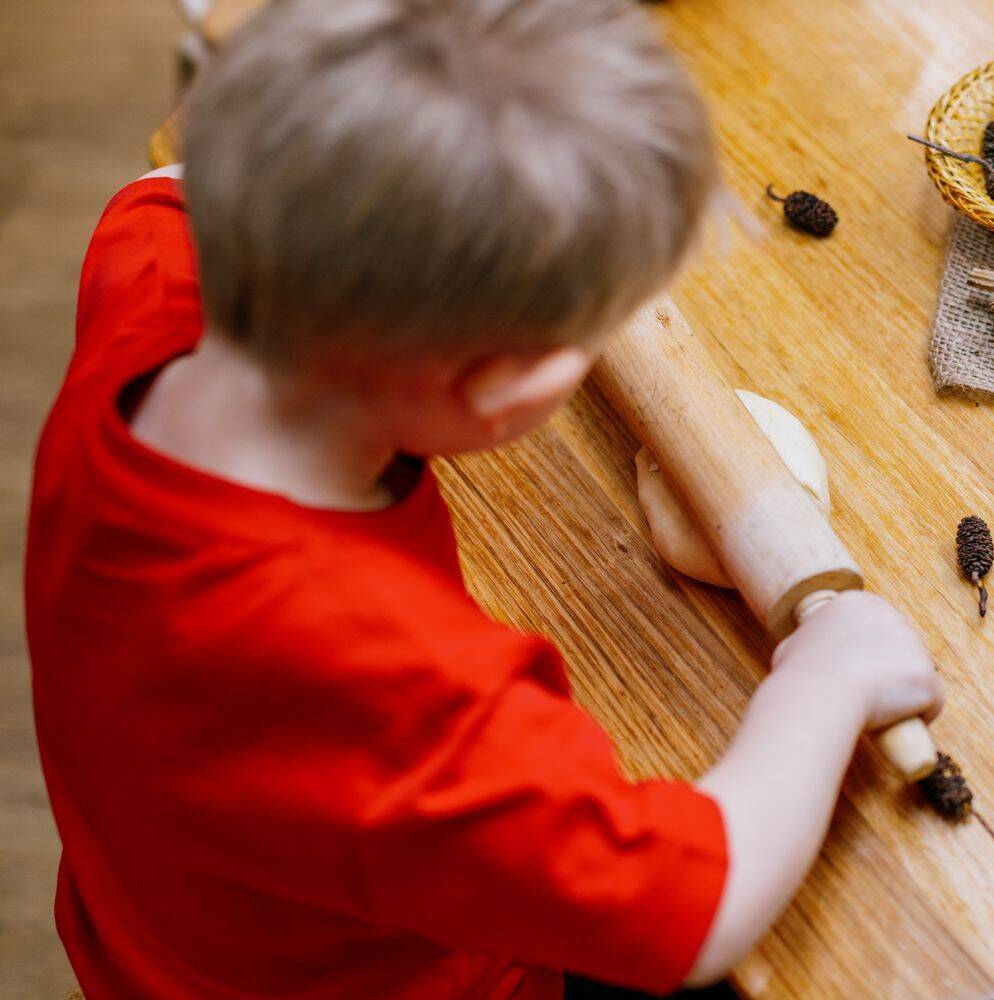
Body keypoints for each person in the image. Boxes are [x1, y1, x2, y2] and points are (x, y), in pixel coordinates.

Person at [24, 1, 943, 996]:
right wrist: (825, 682)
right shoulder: (386, 686)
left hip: (168, 926)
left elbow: (174, 186)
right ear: (501, 391)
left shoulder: (152, 276)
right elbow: (693, 909)